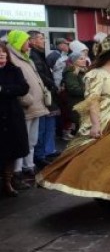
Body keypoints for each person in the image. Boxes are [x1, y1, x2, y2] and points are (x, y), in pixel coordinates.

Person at [37, 33, 110, 201]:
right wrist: (95, 125)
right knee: (109, 159)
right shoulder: (97, 74)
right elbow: (92, 101)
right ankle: (107, 192)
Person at [5, 30, 48, 187]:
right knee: (21, 141)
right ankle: (17, 171)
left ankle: (29, 166)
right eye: (25, 41)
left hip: (35, 105)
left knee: (31, 139)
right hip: (26, 106)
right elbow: (17, 83)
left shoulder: (24, 57)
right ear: (17, 42)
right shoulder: (14, 59)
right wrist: (26, 99)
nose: (28, 44)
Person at [0, 42, 30, 197]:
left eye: (3, 53)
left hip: (12, 116)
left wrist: (3, 90)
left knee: (11, 152)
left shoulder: (14, 70)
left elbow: (24, 88)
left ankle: (8, 182)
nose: (1, 56)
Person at [27, 31, 60, 168]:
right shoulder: (33, 55)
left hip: (46, 94)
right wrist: (52, 84)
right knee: (40, 129)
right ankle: (39, 156)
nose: (44, 41)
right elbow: (40, 74)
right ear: (33, 41)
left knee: (46, 126)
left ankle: (45, 152)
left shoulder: (39, 54)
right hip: (42, 95)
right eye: (41, 38)